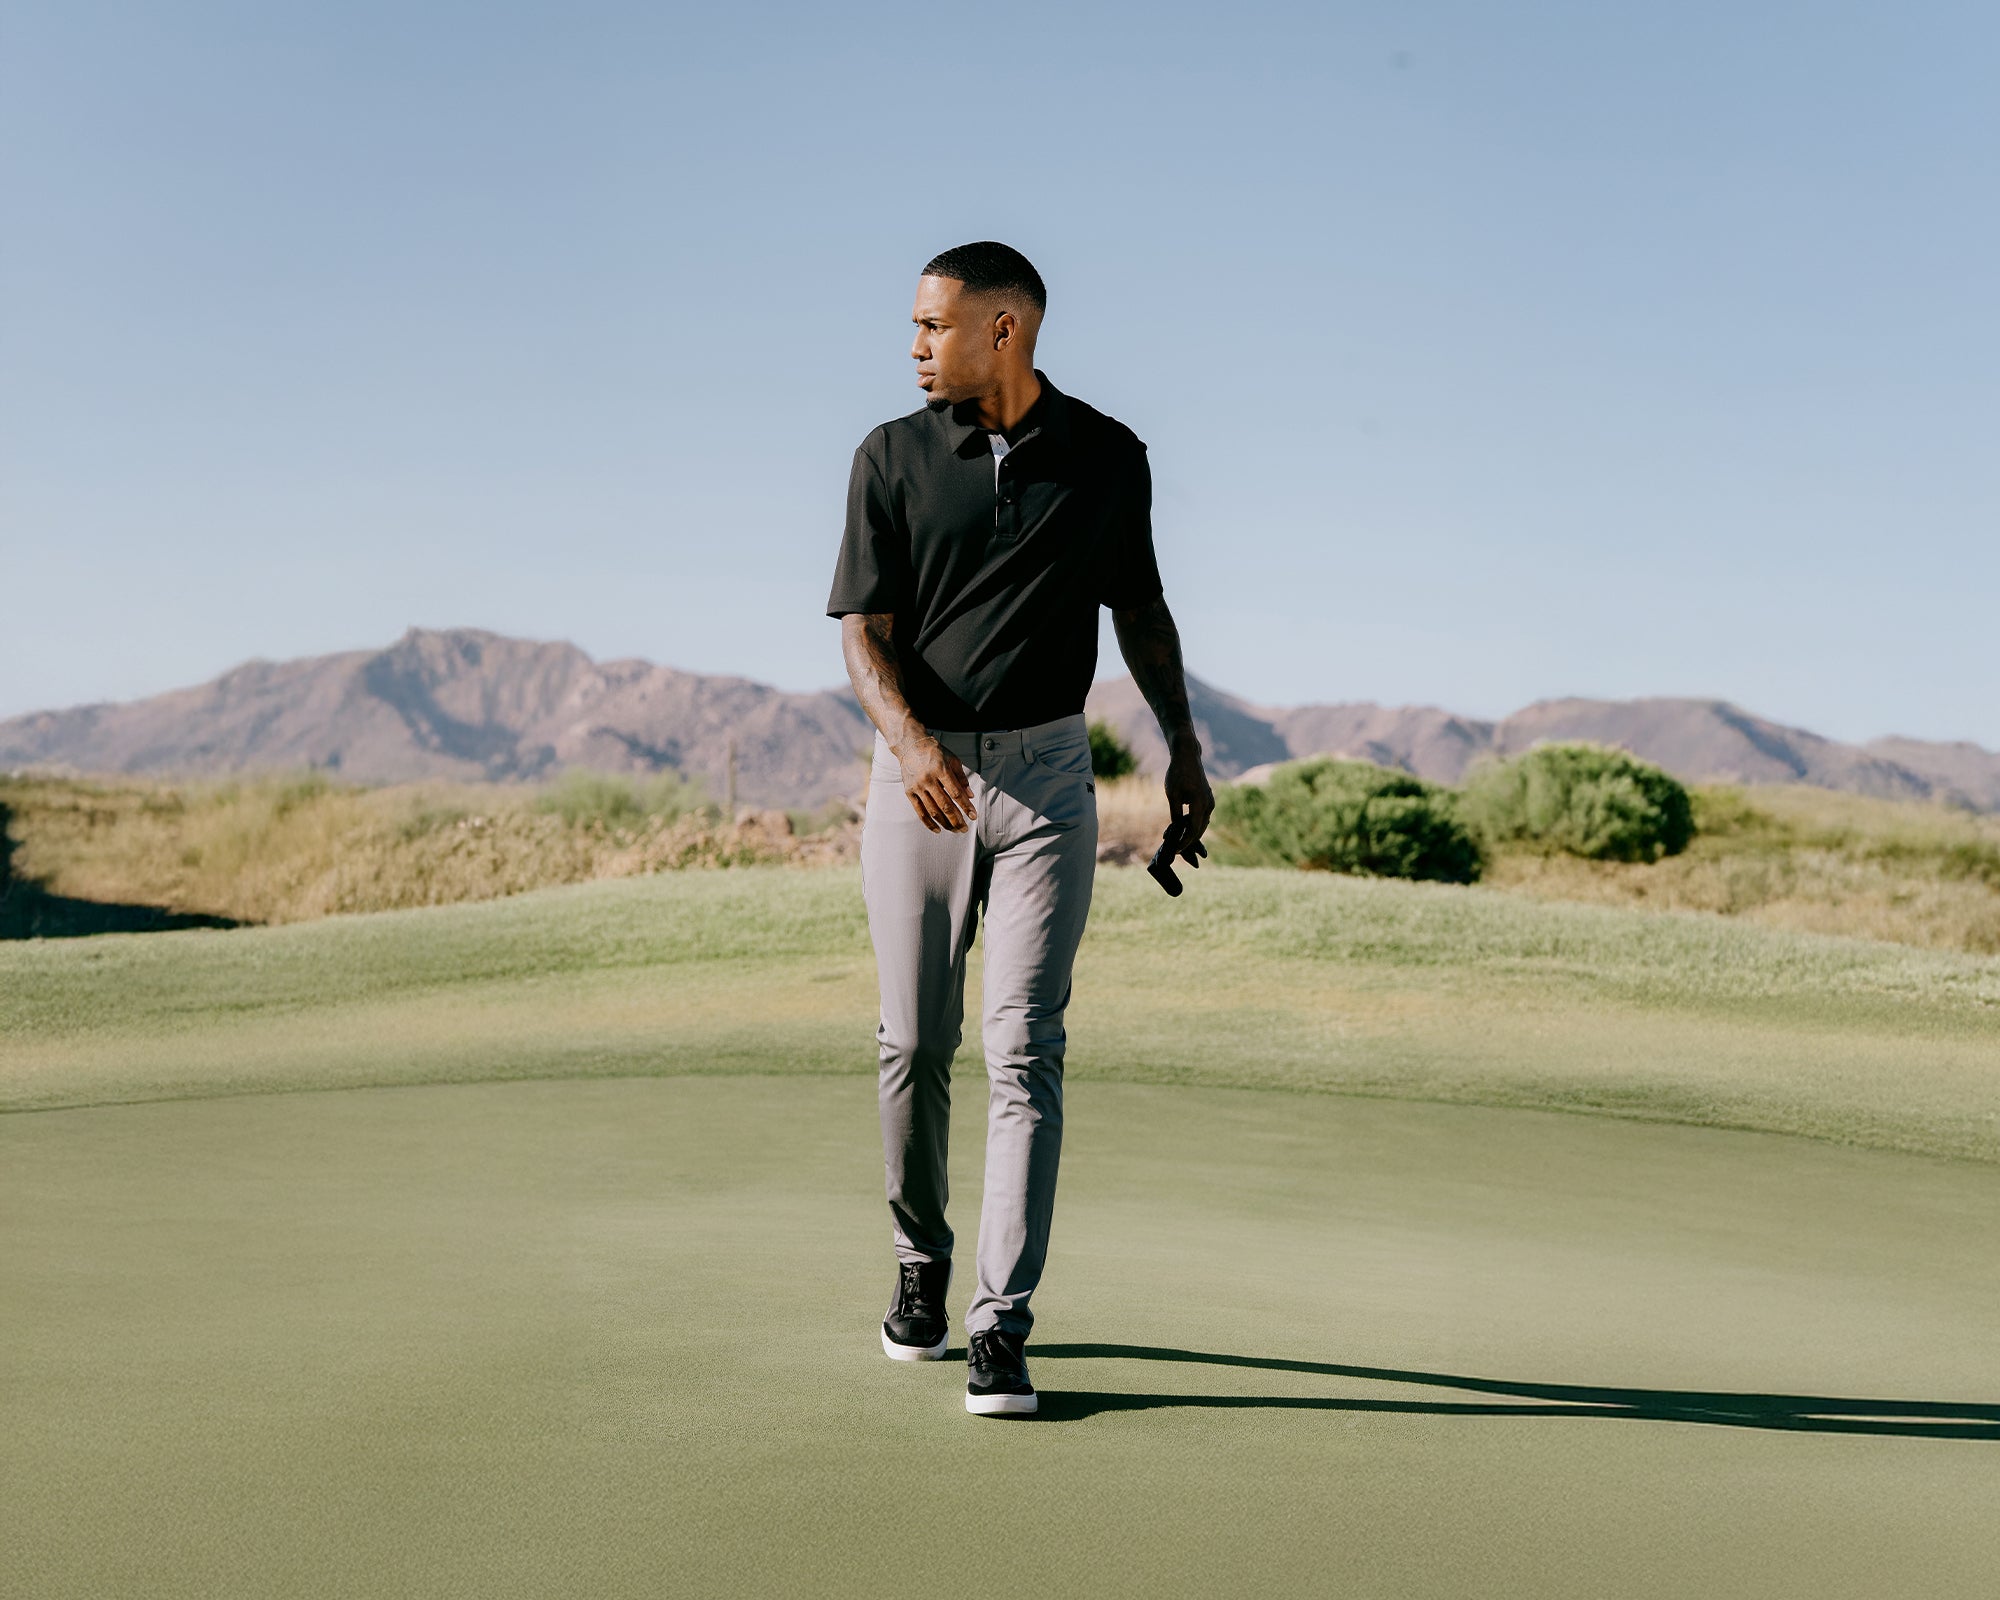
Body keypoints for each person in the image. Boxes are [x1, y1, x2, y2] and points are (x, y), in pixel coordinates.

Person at [827, 240, 1213, 1416]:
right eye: (911, 326)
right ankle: (919, 1259)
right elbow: (863, 632)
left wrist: (1183, 750)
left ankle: (999, 1321)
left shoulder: (1105, 458)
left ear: (1003, 329)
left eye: (930, 327)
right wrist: (911, 750)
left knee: (1023, 1046)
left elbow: (1140, 614)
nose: (911, 346)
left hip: (1047, 780)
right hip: (918, 779)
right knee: (909, 1041)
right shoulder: (889, 455)